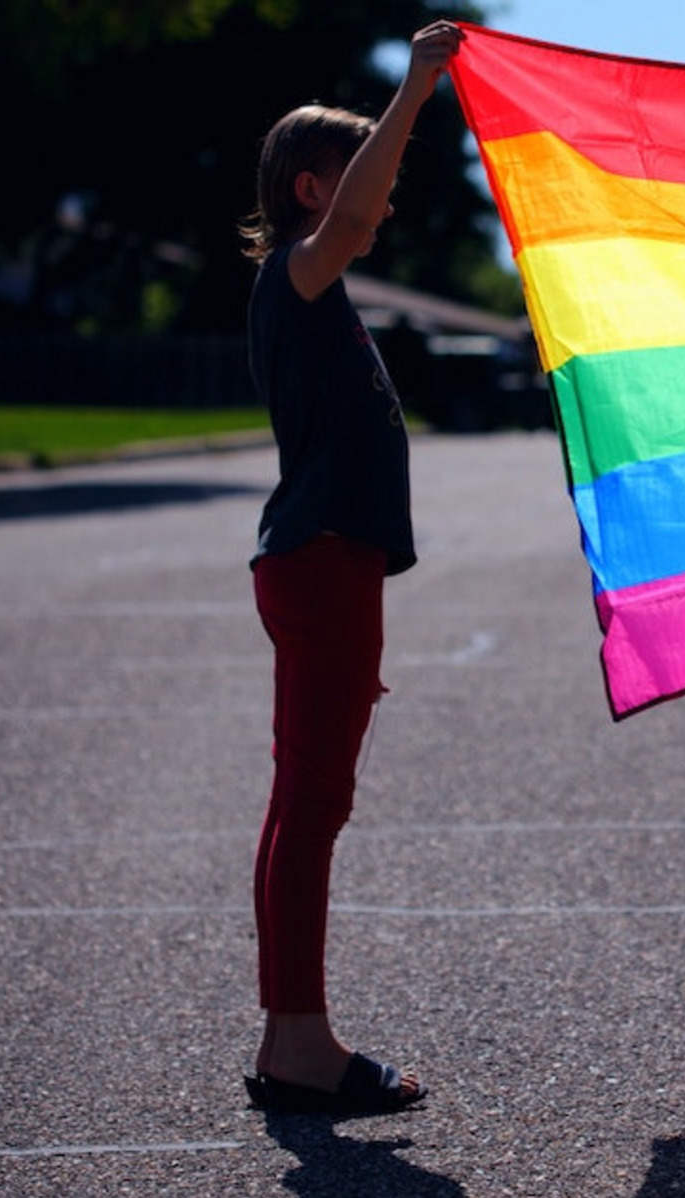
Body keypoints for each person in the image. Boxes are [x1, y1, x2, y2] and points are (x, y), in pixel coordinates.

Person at [238, 20, 462, 1115]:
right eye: (358, 169)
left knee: (305, 802)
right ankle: (300, 1047)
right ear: (312, 185)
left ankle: (295, 1035)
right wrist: (419, 87)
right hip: (322, 564)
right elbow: (365, 207)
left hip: (326, 563)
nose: (379, 200)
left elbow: (369, 205)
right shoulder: (300, 270)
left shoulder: (317, 290)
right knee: (313, 803)